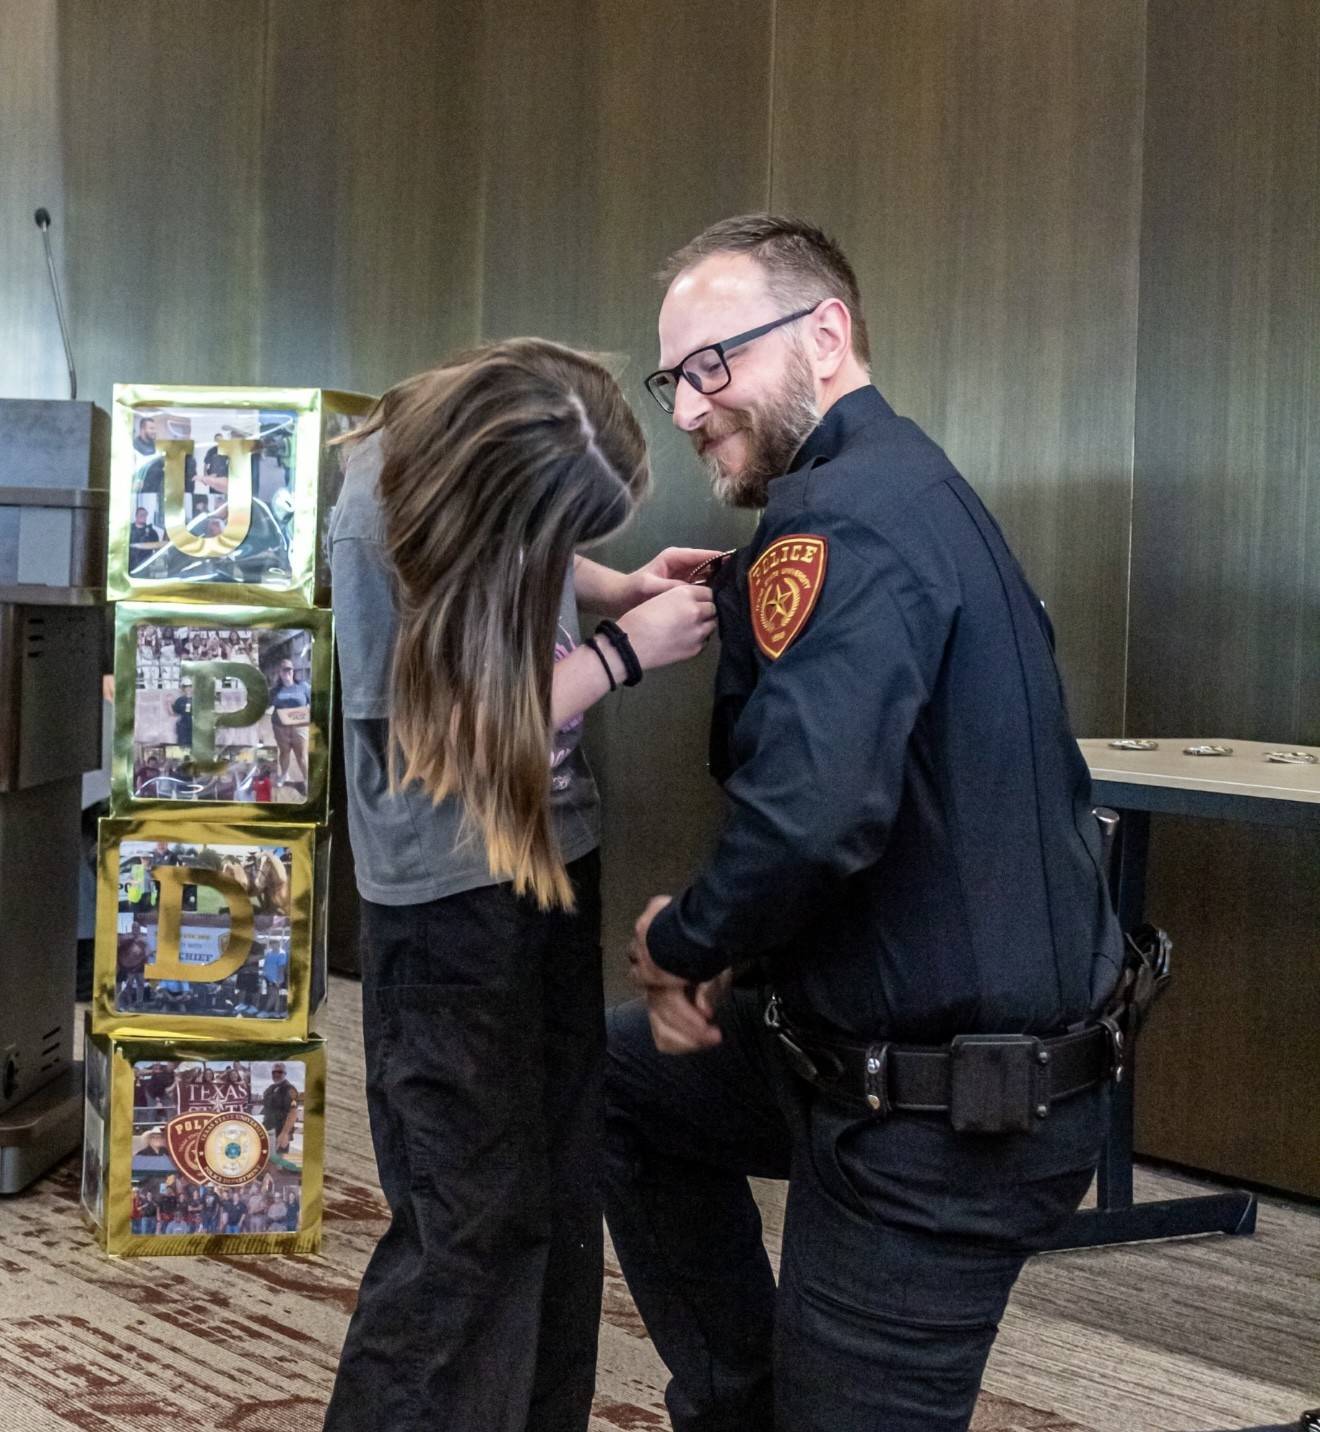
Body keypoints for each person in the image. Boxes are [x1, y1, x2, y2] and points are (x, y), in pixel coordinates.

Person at [606, 215, 1125, 1432]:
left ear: (827, 335)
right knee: (615, 1079)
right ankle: (745, 1401)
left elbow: (810, 813)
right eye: (674, 377)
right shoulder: (904, 491)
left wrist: (688, 940)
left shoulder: (840, 519)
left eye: (712, 365)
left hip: (944, 1126)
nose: (687, 409)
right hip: (867, 1054)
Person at [322, 338, 719, 1432]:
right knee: (469, 1228)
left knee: (555, 1194)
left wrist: (615, 584)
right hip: (449, 904)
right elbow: (440, 729)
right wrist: (621, 653)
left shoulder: (477, 462)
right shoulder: (382, 509)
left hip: (546, 859)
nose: (561, 556)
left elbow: (517, 558)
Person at [267, 656, 312, 795]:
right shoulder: (274, 691)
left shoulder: (304, 686)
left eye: (289, 669)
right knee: (284, 752)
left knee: (302, 755)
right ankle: (284, 774)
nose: (287, 672)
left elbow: (314, 703)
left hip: (300, 726)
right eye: (284, 670)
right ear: (279, 673)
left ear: (293, 671)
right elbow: (266, 706)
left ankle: (307, 780)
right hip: (280, 727)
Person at [259, 1063, 298, 1151]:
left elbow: (293, 1112)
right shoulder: (270, 1088)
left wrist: (285, 1134)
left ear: (285, 1074)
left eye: (280, 1072)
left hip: (280, 1131)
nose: (276, 1074)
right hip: (267, 1129)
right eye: (274, 1072)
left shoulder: (290, 1089)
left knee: (279, 1161)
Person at [128, 506, 161, 573]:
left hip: (145, 568)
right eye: (141, 514)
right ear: (136, 516)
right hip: (129, 566)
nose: (143, 516)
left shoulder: (152, 532)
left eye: (145, 515)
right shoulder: (128, 531)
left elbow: (157, 550)